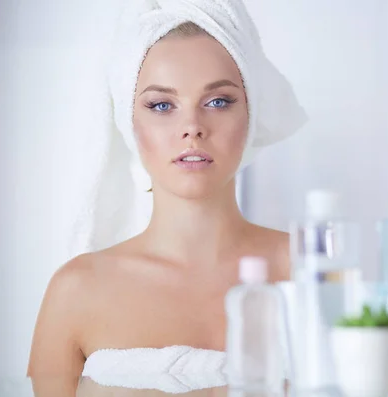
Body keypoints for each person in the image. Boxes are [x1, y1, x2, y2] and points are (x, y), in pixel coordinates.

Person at [27, 1, 306, 395]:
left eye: (218, 101)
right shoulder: (77, 290)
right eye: (162, 105)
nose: (192, 127)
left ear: (251, 112)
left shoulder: (313, 274)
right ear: (128, 120)